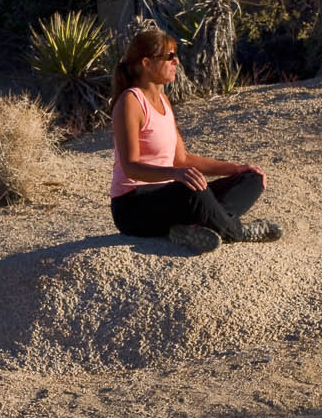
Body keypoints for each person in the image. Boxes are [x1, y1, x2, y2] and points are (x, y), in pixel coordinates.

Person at [109, 25, 281, 254]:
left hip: (169, 196)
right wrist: (174, 175)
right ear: (146, 63)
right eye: (169, 56)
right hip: (133, 208)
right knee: (188, 188)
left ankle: (186, 228)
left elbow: (183, 158)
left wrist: (237, 168)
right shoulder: (131, 101)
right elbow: (131, 167)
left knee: (252, 179)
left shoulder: (164, 102)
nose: (176, 62)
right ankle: (238, 232)